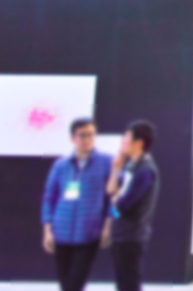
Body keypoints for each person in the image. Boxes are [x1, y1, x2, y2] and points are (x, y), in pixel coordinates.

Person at [41, 118, 113, 291]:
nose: (87, 139)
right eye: (82, 135)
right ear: (73, 138)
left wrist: (108, 226)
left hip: (88, 233)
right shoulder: (61, 165)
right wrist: (47, 230)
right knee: (66, 285)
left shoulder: (107, 162)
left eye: (91, 134)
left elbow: (114, 198)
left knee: (75, 284)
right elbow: (49, 198)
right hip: (61, 233)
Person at [106, 120, 160, 291]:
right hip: (122, 233)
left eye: (127, 137)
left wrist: (115, 203)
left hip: (132, 235)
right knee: (123, 283)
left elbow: (122, 205)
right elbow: (111, 191)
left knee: (129, 283)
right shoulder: (132, 166)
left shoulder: (145, 171)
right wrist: (116, 168)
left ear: (139, 143)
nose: (123, 141)